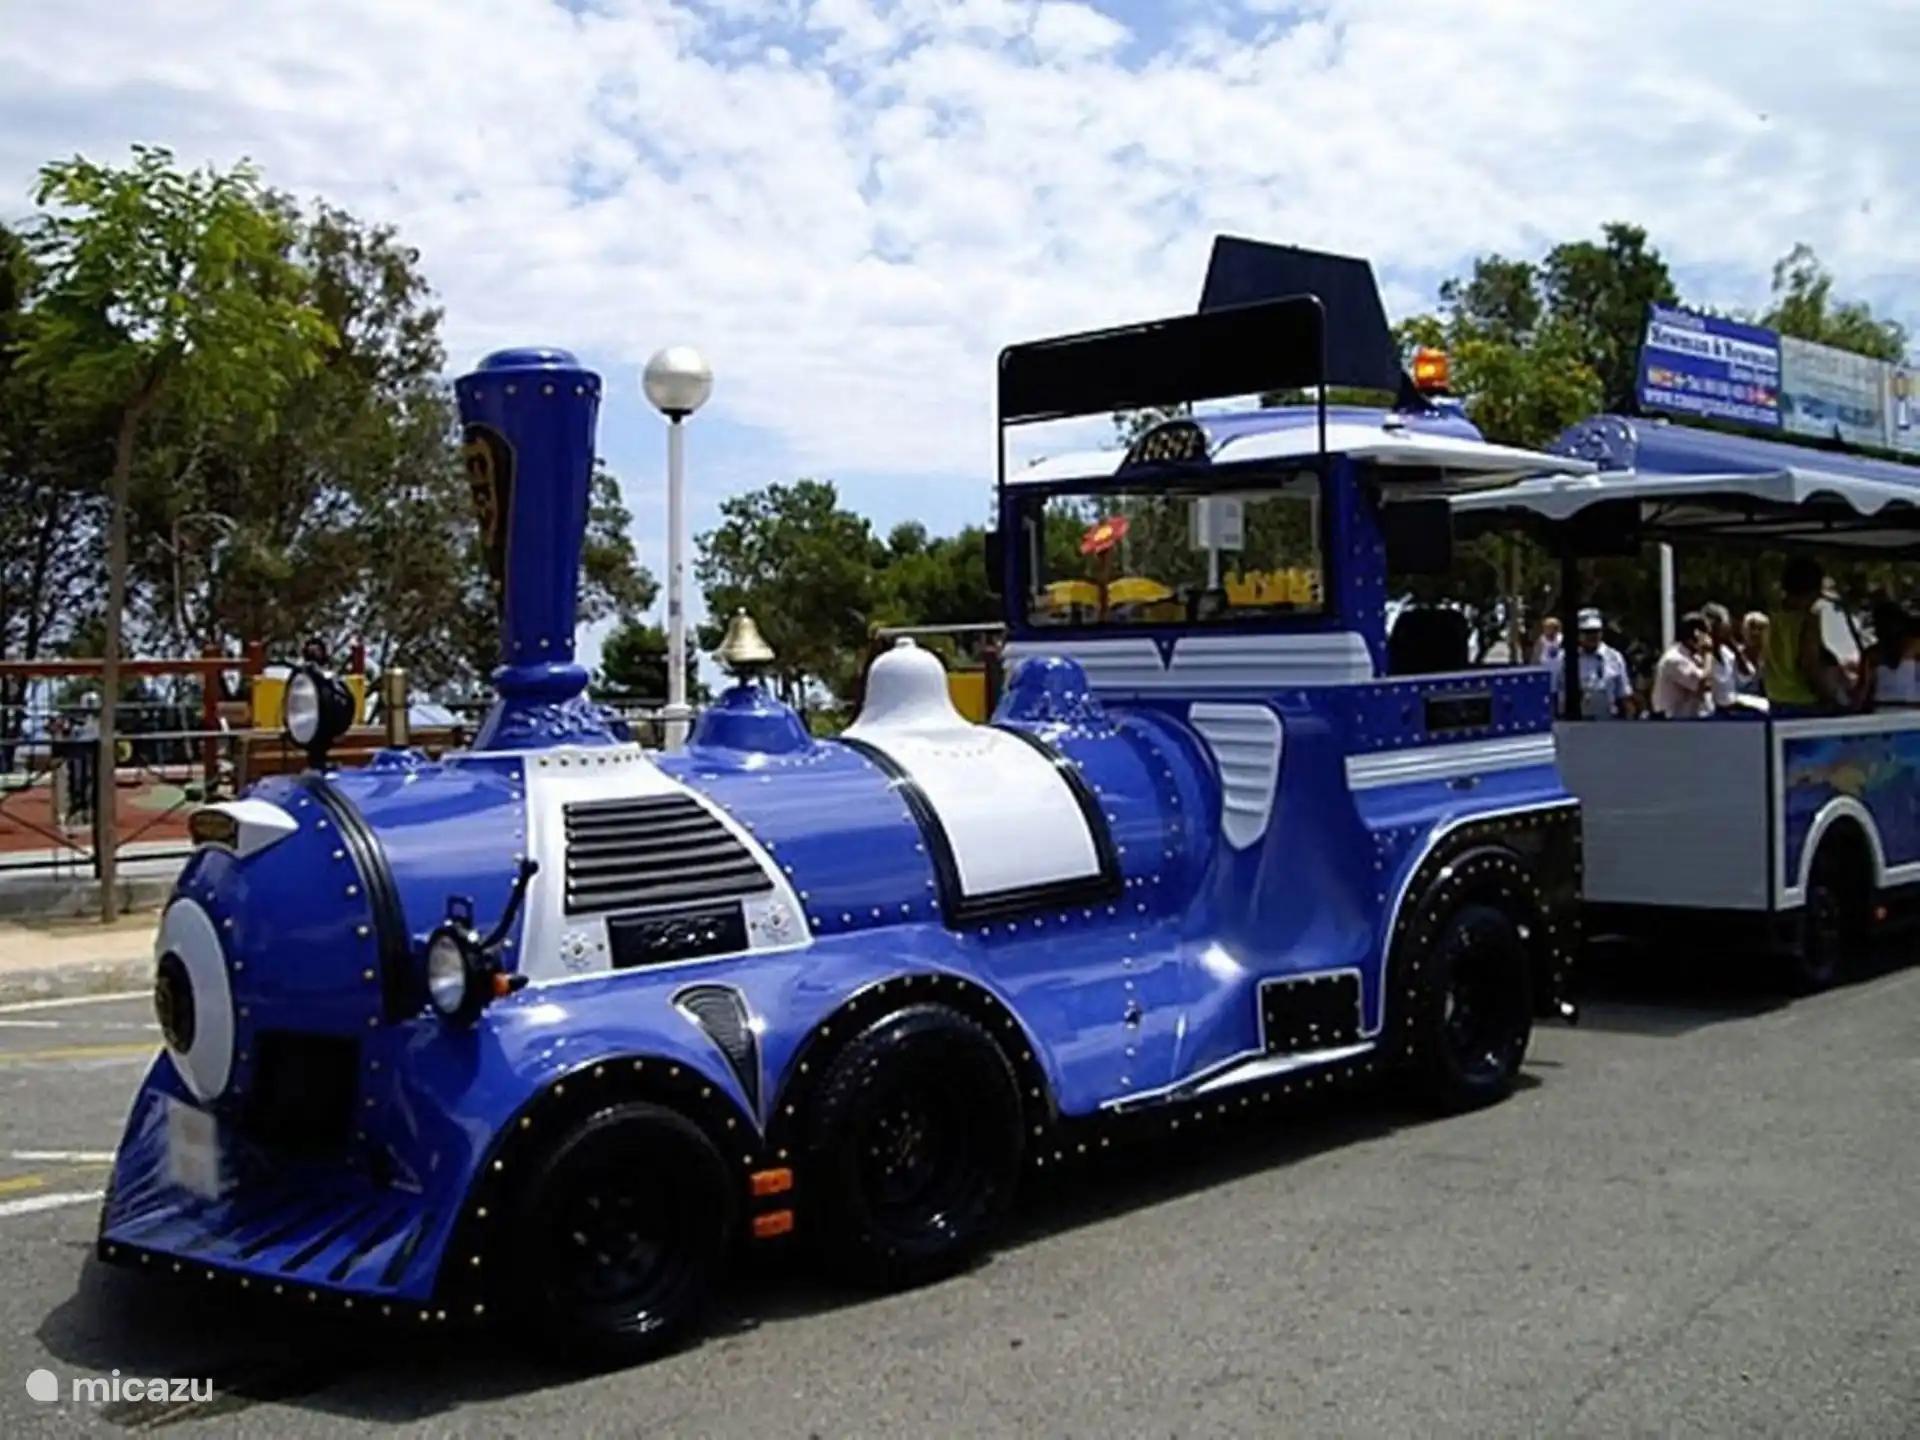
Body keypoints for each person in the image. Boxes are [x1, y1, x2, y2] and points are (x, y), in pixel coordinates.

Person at [1762, 555, 1847, 715]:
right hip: (1803, 702)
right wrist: (1829, 698)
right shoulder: (1808, 619)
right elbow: (1809, 663)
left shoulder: (1774, 618)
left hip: (1776, 699)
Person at [1551, 608, 1631, 719]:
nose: (1592, 636)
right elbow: (1553, 693)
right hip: (1574, 722)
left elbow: (1623, 696)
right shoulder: (1564, 659)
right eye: (1587, 632)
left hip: (1607, 721)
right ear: (1578, 633)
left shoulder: (1614, 657)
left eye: (1596, 631)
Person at [1651, 613, 1718, 718]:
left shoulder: (1694, 657)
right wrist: (1708, 652)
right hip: (1671, 722)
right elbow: (1702, 684)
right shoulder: (1675, 660)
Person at [1859, 599, 1920, 708]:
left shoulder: (1872, 654)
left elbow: (1862, 692)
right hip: (1912, 707)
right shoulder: (1914, 647)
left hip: (1883, 708)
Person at [1700, 602, 1740, 710]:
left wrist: (1736, 648)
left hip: (1731, 708)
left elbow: (1747, 675)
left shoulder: (1728, 654)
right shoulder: (1699, 654)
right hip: (1709, 713)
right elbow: (1703, 683)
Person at [1736, 612, 1769, 696]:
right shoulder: (1733, 654)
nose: (1755, 633)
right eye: (1752, 627)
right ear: (1743, 630)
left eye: (1760, 628)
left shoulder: (1772, 658)